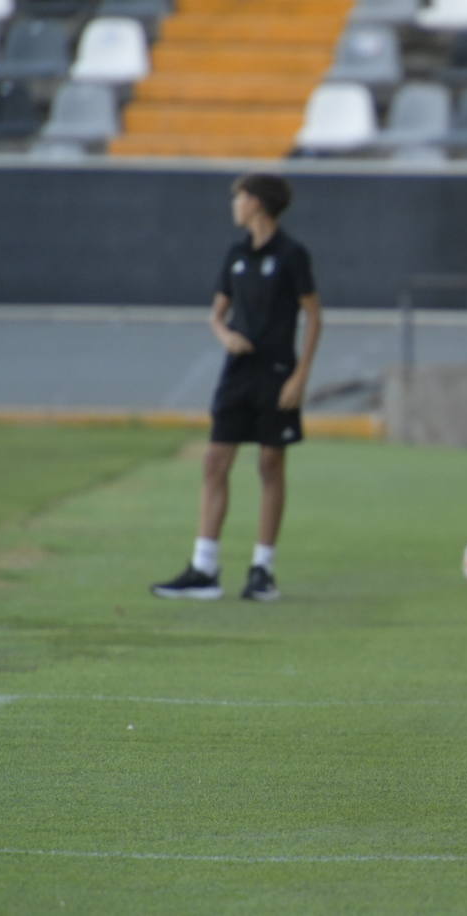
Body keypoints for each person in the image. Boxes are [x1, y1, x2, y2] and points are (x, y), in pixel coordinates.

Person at [151, 173, 323, 602]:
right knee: (215, 462)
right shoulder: (235, 254)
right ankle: (204, 569)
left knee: (270, 464)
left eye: (240, 197)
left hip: (277, 373)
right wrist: (225, 335)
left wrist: (300, 375)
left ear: (258, 203)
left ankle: (262, 570)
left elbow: (314, 316)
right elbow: (216, 314)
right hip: (238, 373)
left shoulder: (292, 254)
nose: (235, 205)